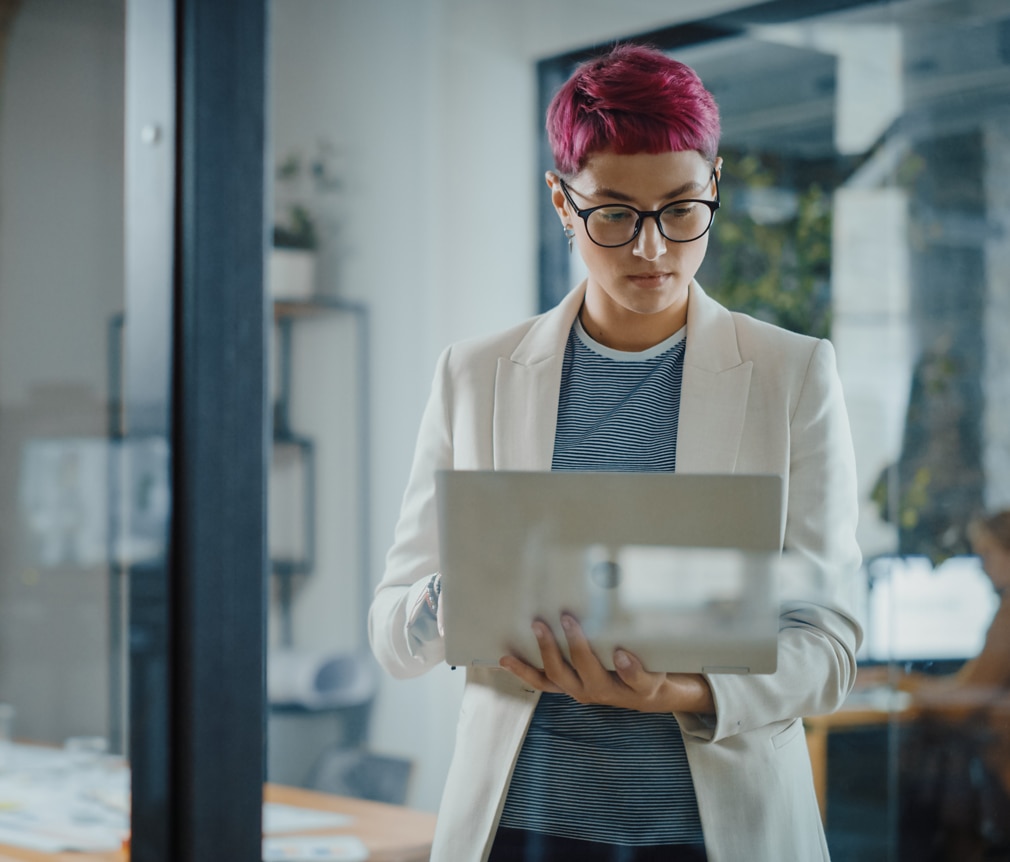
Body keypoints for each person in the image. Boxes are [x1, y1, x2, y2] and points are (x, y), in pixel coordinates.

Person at [369, 43, 862, 862]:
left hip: (712, 835)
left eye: (680, 209)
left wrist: (675, 692)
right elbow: (392, 631)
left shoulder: (791, 375)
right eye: (614, 214)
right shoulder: (476, 374)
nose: (652, 250)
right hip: (519, 830)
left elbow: (830, 645)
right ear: (562, 204)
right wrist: (448, 601)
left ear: (714, 189)